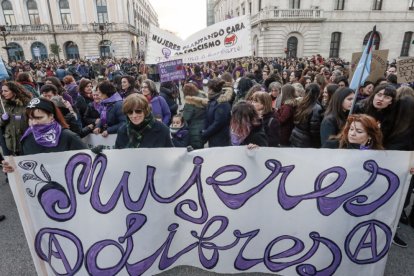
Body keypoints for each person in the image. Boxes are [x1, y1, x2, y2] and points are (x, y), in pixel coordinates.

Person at [2, 97, 87, 162]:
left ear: (51, 116)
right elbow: (26, 166)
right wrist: (13, 168)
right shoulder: (26, 138)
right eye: (30, 118)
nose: (34, 123)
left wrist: (94, 155)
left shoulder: (68, 137)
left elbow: (87, 161)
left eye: (39, 118)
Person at [0, 82, 32, 155]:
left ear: (14, 91)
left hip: (25, 143)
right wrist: (2, 119)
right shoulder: (3, 105)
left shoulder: (27, 104)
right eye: (2, 91)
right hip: (10, 144)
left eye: (6, 91)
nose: (3, 93)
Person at [290, 83, 323, 148]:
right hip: (305, 141)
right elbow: (314, 130)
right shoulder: (316, 108)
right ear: (317, 94)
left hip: (296, 136)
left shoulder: (301, 103)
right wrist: (317, 145)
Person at [201, 78, 232, 147]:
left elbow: (218, 123)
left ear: (212, 90)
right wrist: (204, 129)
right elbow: (207, 117)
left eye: (208, 89)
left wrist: (206, 132)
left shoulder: (222, 103)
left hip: (220, 139)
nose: (207, 91)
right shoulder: (212, 101)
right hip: (213, 137)